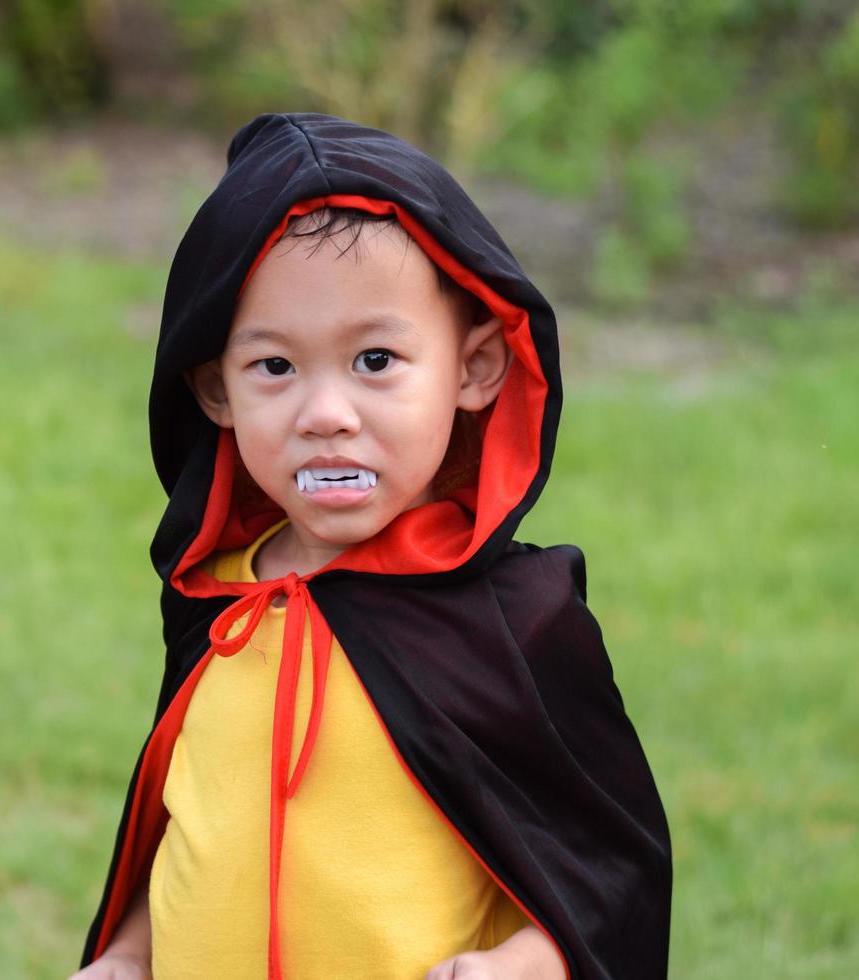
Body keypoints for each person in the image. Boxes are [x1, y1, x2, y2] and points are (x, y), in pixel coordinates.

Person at [69, 113, 672, 980]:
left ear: (473, 370)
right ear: (216, 393)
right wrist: (127, 956)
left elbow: (605, 873)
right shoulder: (218, 604)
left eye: (377, 359)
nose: (326, 413)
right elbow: (184, 834)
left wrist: (524, 966)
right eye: (275, 367)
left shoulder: (514, 624)